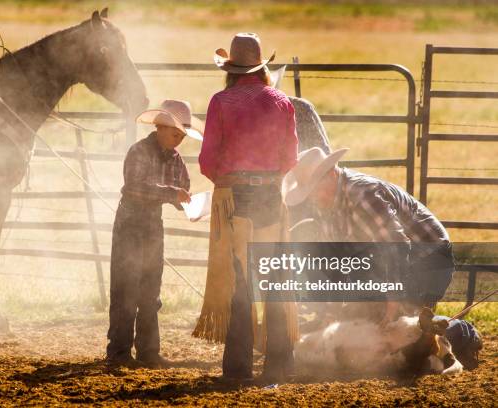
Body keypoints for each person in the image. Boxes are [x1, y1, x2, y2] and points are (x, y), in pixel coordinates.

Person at [194, 33, 299, 383]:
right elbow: (290, 158)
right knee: (275, 282)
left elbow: (207, 160)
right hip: (271, 196)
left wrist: (228, 177)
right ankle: (279, 366)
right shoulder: (282, 101)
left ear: (231, 69)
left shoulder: (221, 101)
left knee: (241, 284)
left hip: (236, 198)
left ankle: (237, 371)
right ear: (261, 67)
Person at [284, 147, 455, 323]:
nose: (313, 196)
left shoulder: (362, 195)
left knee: (401, 329)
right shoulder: (324, 204)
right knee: (364, 320)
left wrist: (394, 299)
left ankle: (459, 333)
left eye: (315, 189)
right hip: (388, 261)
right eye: (309, 192)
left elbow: (397, 245)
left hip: (428, 260)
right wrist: (332, 308)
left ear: (331, 175)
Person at [106, 100, 201, 368]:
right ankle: (119, 352)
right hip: (130, 225)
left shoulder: (174, 158)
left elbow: (182, 185)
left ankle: (148, 351)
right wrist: (172, 194)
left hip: (151, 225)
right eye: (175, 134)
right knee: (126, 289)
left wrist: (184, 200)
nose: (179, 140)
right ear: (160, 127)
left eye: (182, 135)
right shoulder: (138, 152)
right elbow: (135, 187)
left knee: (150, 289)